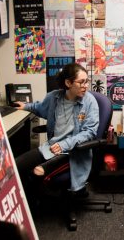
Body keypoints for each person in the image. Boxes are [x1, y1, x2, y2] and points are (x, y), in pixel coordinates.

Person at [14, 63, 99, 207]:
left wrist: (64, 144)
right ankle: (29, 203)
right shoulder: (54, 97)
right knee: (15, 166)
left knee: (37, 172)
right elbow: (40, 107)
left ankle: (34, 207)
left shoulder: (90, 102)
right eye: (81, 82)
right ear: (68, 83)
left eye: (87, 81)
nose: (86, 86)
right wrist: (25, 106)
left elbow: (90, 132)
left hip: (72, 151)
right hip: (51, 146)